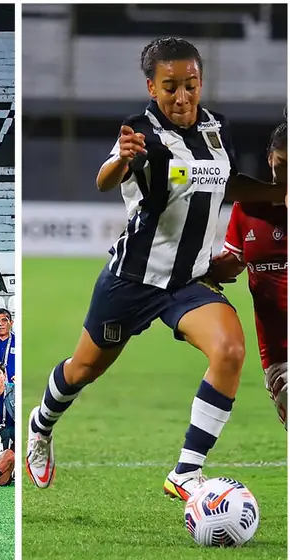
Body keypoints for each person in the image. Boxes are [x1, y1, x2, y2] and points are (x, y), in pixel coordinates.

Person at [26, 37, 286, 500]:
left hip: (189, 283)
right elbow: (106, 179)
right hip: (132, 280)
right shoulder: (139, 133)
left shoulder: (217, 128)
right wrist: (122, 159)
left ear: (201, 82)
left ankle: (186, 471)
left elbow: (224, 185)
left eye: (191, 85)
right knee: (83, 369)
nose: (182, 97)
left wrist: (277, 194)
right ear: (152, 87)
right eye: (170, 87)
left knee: (229, 350)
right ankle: (40, 426)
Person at [210, 122, 287, 428]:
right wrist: (201, 269)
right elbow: (233, 262)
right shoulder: (248, 208)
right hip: (279, 355)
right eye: (282, 163)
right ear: (270, 159)